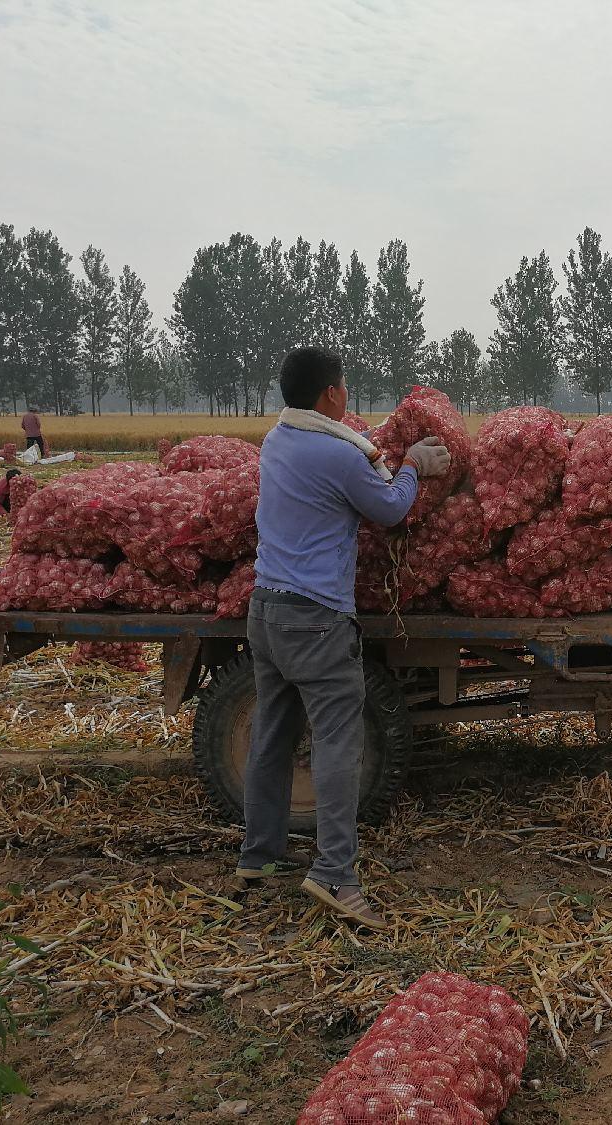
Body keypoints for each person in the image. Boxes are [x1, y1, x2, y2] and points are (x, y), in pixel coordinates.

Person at [237, 346, 451, 926]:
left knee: (273, 734)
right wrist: (413, 466)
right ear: (332, 394)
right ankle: (334, 873)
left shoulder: (278, 440)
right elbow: (389, 511)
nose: (348, 394)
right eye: (345, 386)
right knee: (337, 741)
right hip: (315, 618)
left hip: (266, 610)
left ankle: (258, 856)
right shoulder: (338, 453)